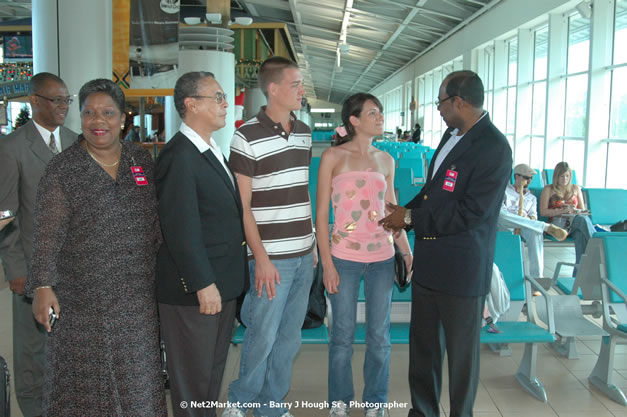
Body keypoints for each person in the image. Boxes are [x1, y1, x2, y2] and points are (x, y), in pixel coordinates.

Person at [24, 79, 167, 416]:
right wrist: (43, 286)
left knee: (138, 387)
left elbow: (157, 223)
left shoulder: (141, 160)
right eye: (88, 113)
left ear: (122, 119)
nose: (97, 121)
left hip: (137, 300)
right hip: (82, 303)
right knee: (84, 392)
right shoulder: (63, 170)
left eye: (107, 113)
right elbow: (46, 233)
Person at [379, 70, 512, 417]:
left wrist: (410, 219)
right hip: (430, 264)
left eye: (440, 101)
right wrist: (406, 210)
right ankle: (422, 411)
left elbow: (473, 213)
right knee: (423, 350)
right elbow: (432, 192)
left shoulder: (494, 147)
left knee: (461, 358)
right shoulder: (451, 135)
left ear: (459, 101)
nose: (436, 108)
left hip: (463, 270)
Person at [224, 56, 315, 417]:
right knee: (261, 336)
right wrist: (259, 258)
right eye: (295, 85)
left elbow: (300, 191)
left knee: (289, 339)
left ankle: (271, 406)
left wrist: (311, 245)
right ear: (273, 89)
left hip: (303, 254)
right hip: (271, 257)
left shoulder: (305, 132)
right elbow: (242, 205)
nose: (301, 91)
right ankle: (239, 402)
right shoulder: (246, 136)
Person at [155, 71, 248, 417]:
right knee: (192, 384)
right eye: (218, 97)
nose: (227, 104)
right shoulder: (179, 156)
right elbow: (180, 228)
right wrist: (202, 283)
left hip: (221, 285)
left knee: (210, 378)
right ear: (191, 104)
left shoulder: (209, 150)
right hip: (196, 292)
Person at [316, 93, 413, 417]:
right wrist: (327, 262)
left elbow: (393, 210)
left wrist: (407, 251)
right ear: (354, 120)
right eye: (373, 112)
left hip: (382, 258)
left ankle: (376, 402)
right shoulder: (333, 157)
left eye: (380, 112)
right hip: (343, 257)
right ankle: (339, 402)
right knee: (341, 335)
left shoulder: (386, 160)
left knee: (379, 335)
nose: (380, 117)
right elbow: (319, 215)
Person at [0, 72, 77, 417]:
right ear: (34, 101)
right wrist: (15, 268)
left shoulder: (76, 142)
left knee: (66, 346)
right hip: (32, 269)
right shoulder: (12, 147)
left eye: (66, 100)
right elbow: (6, 213)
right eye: (55, 100)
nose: (62, 107)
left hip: (73, 268)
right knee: (33, 351)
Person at [497, 163, 567, 278]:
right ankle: (545, 226)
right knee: (500, 215)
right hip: (506, 224)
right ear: (517, 176)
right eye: (526, 178)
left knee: (535, 232)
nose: (529, 181)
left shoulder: (531, 198)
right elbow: (503, 213)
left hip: (525, 225)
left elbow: (533, 217)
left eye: (531, 178)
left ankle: (537, 278)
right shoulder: (504, 191)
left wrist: (526, 218)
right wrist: (517, 218)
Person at [539, 161, 595, 269]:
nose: (565, 179)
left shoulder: (575, 189)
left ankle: (578, 277)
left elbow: (581, 210)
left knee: (580, 234)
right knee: (582, 221)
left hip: (574, 223)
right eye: (562, 176)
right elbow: (543, 212)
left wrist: (574, 211)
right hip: (557, 226)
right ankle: (598, 244)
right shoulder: (549, 189)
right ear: (556, 176)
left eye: (567, 176)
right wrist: (562, 211)